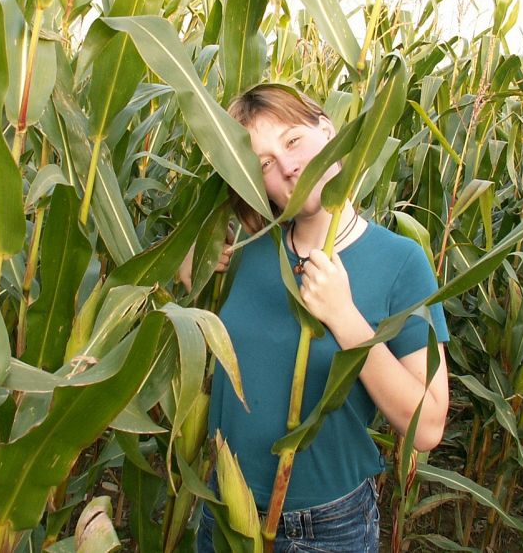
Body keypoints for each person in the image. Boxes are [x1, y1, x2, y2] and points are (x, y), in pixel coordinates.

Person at [191, 84, 450, 552]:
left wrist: (345, 318)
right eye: (264, 162)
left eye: (292, 141)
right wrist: (189, 264)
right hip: (224, 510)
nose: (288, 167)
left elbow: (428, 426)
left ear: (327, 131)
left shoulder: (401, 262)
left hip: (326, 529)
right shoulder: (248, 251)